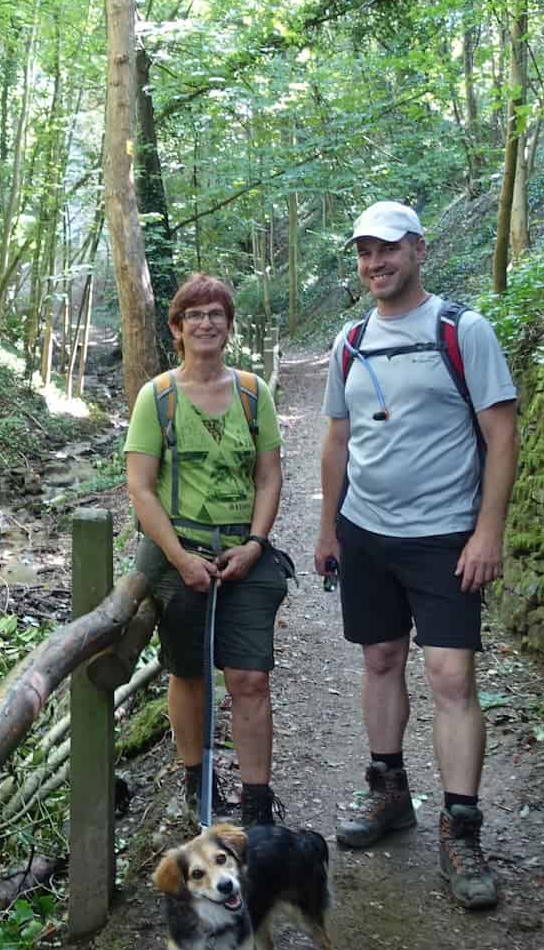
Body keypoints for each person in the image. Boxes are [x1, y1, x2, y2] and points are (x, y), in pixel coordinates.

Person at [312, 201, 519, 909]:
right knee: (378, 660)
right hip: (366, 531)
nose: (376, 263)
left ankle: (461, 828)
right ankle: (388, 792)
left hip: (443, 535)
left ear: (419, 251)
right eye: (365, 252)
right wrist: (327, 528)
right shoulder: (349, 341)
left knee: (450, 674)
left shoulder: (462, 331)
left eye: (388, 249)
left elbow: (501, 434)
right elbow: (337, 440)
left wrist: (487, 531)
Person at [126, 274, 291, 827]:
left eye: (215, 313)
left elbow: (269, 477)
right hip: (182, 554)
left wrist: (255, 544)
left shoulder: (251, 392)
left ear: (228, 325)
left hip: (244, 555)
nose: (205, 323)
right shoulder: (158, 397)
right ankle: (198, 786)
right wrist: (178, 558)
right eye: (193, 315)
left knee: (249, 678)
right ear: (176, 328)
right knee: (189, 673)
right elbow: (141, 487)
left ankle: (257, 805)